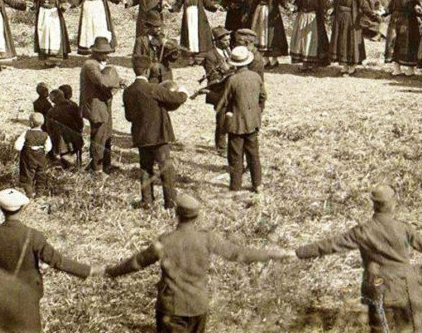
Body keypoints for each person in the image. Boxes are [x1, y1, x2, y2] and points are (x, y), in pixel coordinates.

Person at [104, 193, 293, 332]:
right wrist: (273, 254)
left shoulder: (165, 241)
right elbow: (238, 254)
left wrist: (111, 272)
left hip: (171, 308)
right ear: (197, 216)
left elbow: (137, 262)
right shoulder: (207, 239)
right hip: (197, 307)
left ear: (176, 214)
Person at [296, 185, 422, 333]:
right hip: (404, 288)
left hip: (377, 288)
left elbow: (331, 245)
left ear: (373, 204)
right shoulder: (403, 228)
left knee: (379, 329)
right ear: (394, 203)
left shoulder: (362, 231)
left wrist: (298, 252)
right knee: (410, 328)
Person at [0, 188, 98, 328]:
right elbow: (58, 261)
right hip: (27, 292)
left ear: (1, 209)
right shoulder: (33, 236)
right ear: (22, 209)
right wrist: (89, 270)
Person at [123, 56, 188, 209]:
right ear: (146, 71)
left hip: (140, 136)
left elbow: (128, 117)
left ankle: (147, 201)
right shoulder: (153, 88)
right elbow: (176, 99)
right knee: (166, 169)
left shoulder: (128, 91)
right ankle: (170, 203)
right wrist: (183, 92)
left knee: (145, 168)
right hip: (158, 136)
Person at [216, 46, 266, 193]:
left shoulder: (232, 80)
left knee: (235, 156)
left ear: (234, 63)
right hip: (253, 123)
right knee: (254, 155)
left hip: (236, 125)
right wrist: (256, 111)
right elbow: (263, 97)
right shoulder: (256, 77)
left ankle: (235, 186)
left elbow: (224, 101)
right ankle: (257, 184)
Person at [79, 37, 125, 177]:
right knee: (99, 137)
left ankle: (106, 164)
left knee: (106, 134)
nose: (106, 56)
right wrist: (116, 78)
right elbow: (103, 82)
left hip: (102, 104)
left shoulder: (97, 63)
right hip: (95, 106)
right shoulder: (90, 65)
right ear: (96, 52)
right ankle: (97, 169)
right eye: (104, 53)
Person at [329, 0, 376, 77]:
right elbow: (337, 5)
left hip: (351, 23)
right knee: (341, 42)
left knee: (350, 42)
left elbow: (365, 6)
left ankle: (352, 67)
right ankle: (344, 66)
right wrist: (332, 11)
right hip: (340, 22)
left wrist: (373, 16)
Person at [197, 27, 234, 154]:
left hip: (231, 90)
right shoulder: (210, 56)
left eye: (229, 39)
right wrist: (227, 71)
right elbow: (212, 78)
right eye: (225, 40)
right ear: (217, 41)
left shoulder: (229, 50)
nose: (228, 42)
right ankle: (221, 146)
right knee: (222, 118)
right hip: (219, 92)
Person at [171, 0, 218, 64]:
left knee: (198, 35)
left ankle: (199, 54)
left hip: (198, 17)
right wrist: (171, 8)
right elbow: (177, 5)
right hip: (188, 18)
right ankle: (190, 55)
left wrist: (215, 8)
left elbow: (208, 5)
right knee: (189, 35)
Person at [289, 0, 331, 71]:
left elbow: (323, 7)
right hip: (302, 18)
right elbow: (299, 3)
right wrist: (294, 8)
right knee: (302, 40)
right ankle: (305, 64)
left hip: (314, 20)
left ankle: (314, 64)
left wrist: (326, 14)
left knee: (312, 41)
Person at [248, 0, 288, 68]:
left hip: (269, 13)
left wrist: (286, 4)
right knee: (261, 35)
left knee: (270, 35)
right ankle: (265, 60)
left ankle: (274, 61)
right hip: (260, 12)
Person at [384, 0, 422, 76]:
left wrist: (417, 8)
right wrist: (385, 13)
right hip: (396, 21)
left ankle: (410, 69)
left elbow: (420, 6)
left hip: (409, 22)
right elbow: (391, 6)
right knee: (394, 43)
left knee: (409, 44)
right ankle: (397, 68)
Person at [33, 0, 71, 66]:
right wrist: (32, 5)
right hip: (43, 14)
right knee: (44, 34)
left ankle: (56, 58)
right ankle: (46, 57)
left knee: (55, 34)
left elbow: (62, 1)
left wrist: (63, 5)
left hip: (54, 14)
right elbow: (36, 1)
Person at [14, 112, 51, 197]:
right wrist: (43, 151)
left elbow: (17, 146)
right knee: (40, 174)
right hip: (41, 158)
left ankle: (29, 194)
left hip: (27, 158)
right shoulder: (45, 135)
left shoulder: (26, 133)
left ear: (31, 123)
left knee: (27, 175)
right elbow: (48, 147)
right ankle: (39, 194)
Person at [46, 88, 84, 169]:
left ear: (53, 101)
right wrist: (80, 130)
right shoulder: (73, 105)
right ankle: (78, 164)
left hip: (61, 141)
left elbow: (49, 128)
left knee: (64, 153)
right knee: (77, 150)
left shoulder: (51, 111)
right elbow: (80, 121)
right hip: (75, 136)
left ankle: (67, 165)